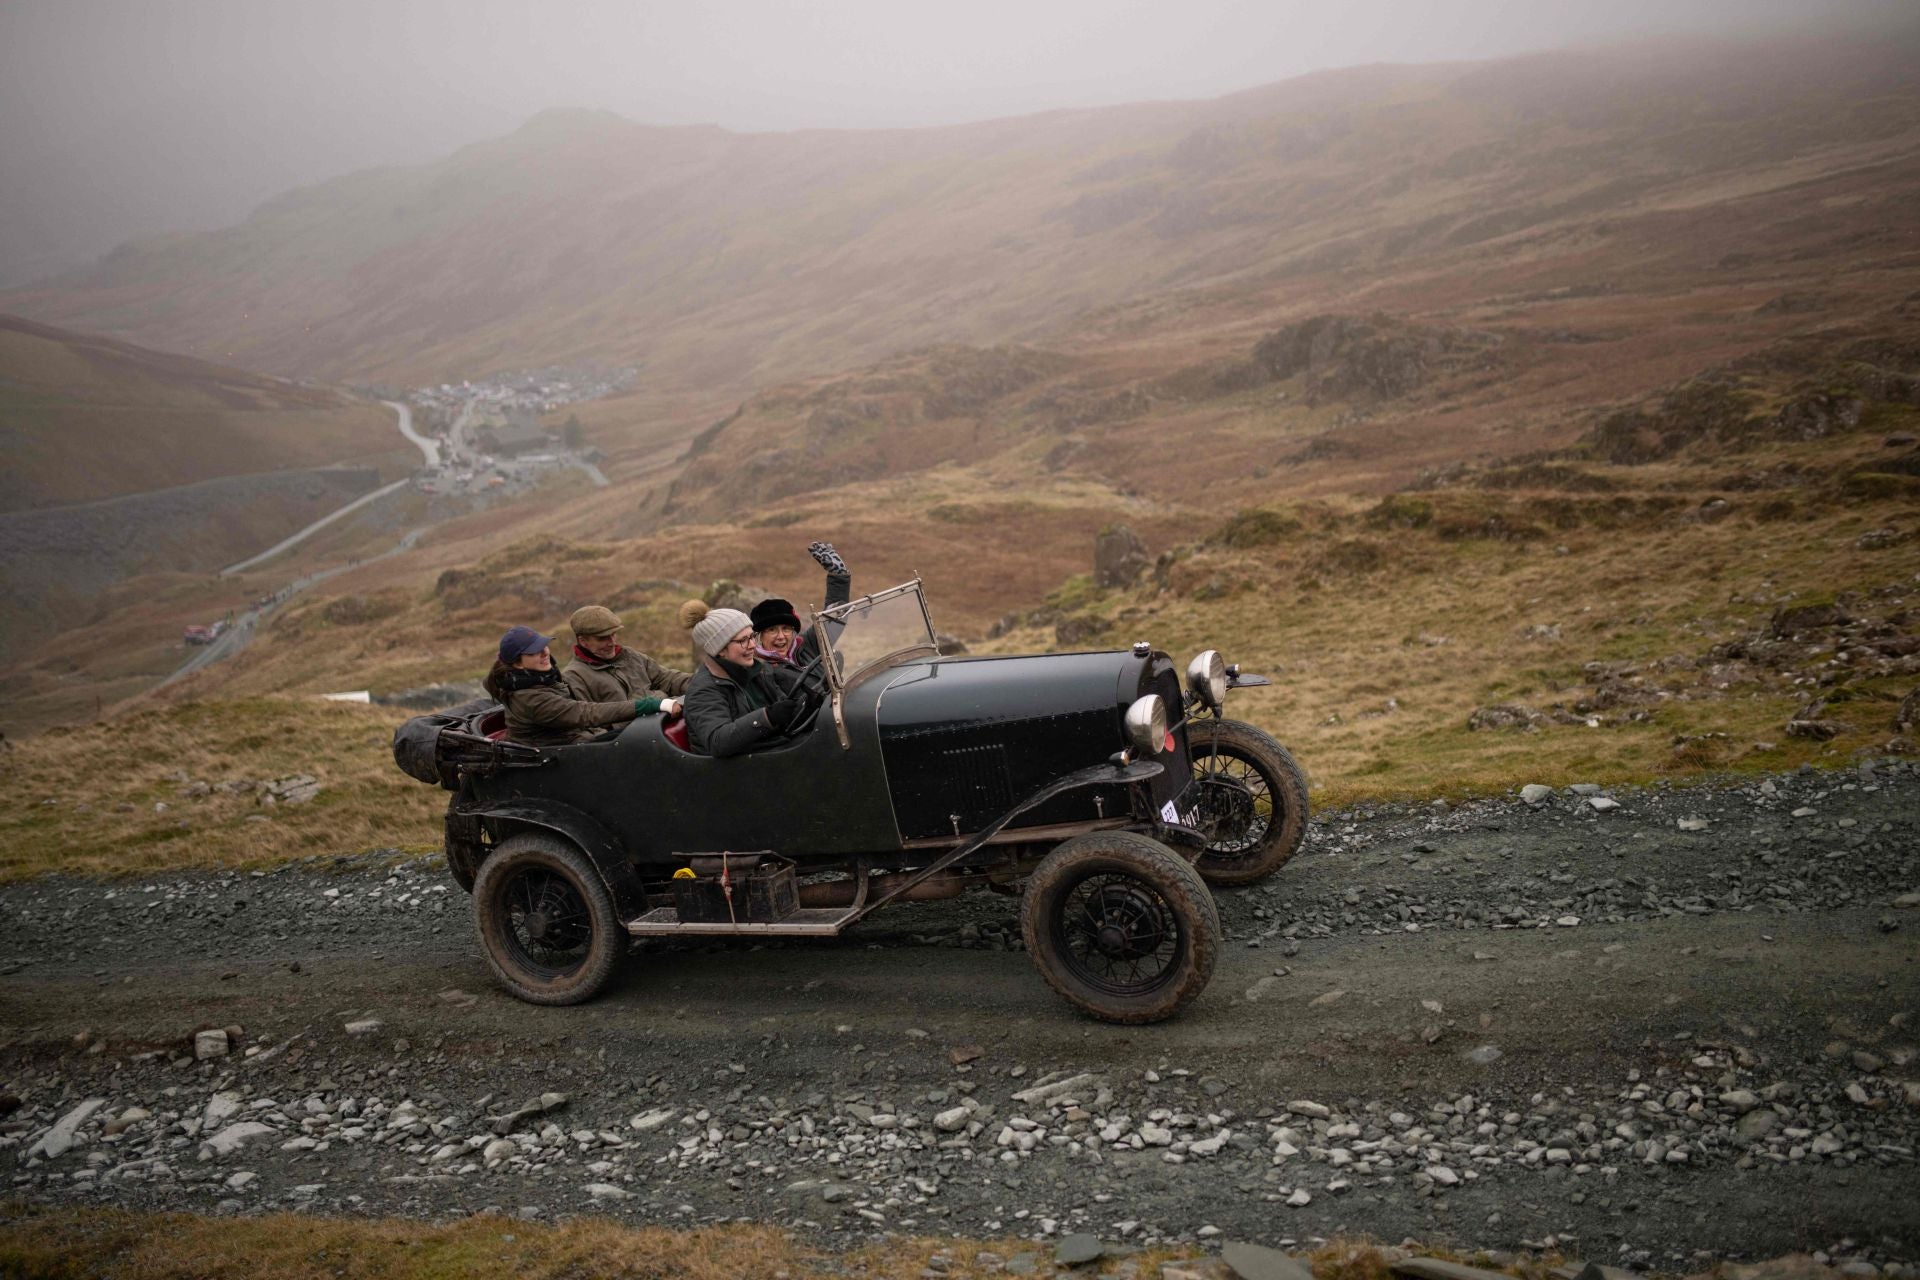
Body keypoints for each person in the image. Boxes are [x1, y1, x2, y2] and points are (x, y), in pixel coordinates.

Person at [482, 625, 670, 747]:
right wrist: (650, 705)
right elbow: (586, 713)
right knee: (639, 744)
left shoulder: (540, 679)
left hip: (574, 741)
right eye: (534, 652)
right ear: (518, 663)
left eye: (543, 646)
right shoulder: (529, 698)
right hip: (560, 752)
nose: (544, 653)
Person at [681, 608, 808, 757]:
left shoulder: (756, 670)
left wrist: (806, 703)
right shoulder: (704, 690)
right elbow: (718, 741)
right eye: (743, 640)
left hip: (774, 748)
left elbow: (784, 707)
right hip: (741, 768)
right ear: (720, 649)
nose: (752, 645)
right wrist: (767, 717)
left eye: (752, 636)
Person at [562, 605, 691, 710]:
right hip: (628, 739)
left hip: (663, 724)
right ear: (583, 641)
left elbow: (667, 679)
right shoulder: (574, 677)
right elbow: (590, 722)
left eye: (613, 634)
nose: (611, 642)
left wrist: (700, 684)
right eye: (602, 638)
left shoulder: (630, 656)